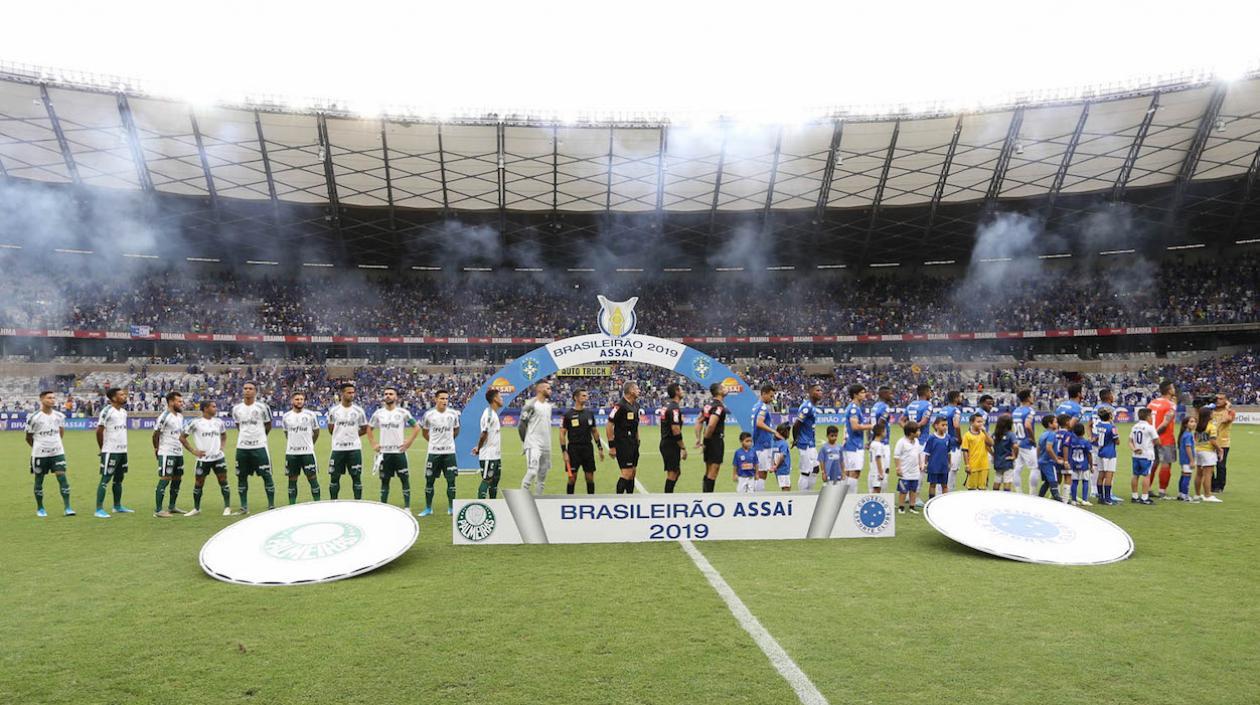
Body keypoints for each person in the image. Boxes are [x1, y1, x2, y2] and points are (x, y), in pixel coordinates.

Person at [368, 386, 420, 511]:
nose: (388, 396)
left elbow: (416, 427)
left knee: (404, 480)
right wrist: (374, 444)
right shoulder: (378, 413)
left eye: (391, 394)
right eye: (386, 393)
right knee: (384, 481)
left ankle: (407, 508)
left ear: (396, 397)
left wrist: (409, 442)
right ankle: (384, 507)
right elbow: (369, 428)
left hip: (399, 452)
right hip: (385, 453)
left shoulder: (403, 413)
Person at [26, 390, 73, 517]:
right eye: (49, 398)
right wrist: (38, 446)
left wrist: (55, 444)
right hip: (40, 454)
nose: (52, 400)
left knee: (62, 477)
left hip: (57, 453)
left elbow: (61, 432)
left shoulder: (59, 416)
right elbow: (28, 437)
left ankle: (68, 507)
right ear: (42, 400)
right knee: (39, 480)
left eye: (53, 398)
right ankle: (40, 508)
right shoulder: (34, 417)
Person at [182, 399, 232, 516]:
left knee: (223, 481)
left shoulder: (219, 422)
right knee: (198, 483)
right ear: (205, 409)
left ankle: (227, 507)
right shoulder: (195, 422)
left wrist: (222, 447)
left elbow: (224, 435)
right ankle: (196, 508)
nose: (216, 408)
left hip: (218, 458)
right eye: (213, 407)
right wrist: (193, 451)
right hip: (203, 459)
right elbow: (182, 438)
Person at [232, 381, 274, 513]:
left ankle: (271, 505)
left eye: (250, 389)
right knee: (241, 476)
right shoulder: (236, 409)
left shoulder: (263, 408)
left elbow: (268, 425)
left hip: (260, 447)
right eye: (245, 388)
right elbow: (238, 426)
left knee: (266, 475)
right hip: (242, 447)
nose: (247, 391)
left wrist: (260, 438)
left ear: (255, 391)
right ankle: (244, 506)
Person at [421, 389, 461, 514]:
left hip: (449, 453)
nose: (444, 401)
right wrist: (434, 443)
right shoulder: (429, 415)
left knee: (451, 481)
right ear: (436, 399)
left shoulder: (453, 414)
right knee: (429, 481)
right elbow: (425, 432)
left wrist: (448, 441)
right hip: (433, 453)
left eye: (446, 398)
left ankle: (451, 508)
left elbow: (456, 429)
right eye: (442, 398)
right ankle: (428, 508)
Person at [326, 382, 368, 500]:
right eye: (349, 393)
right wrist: (339, 436)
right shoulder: (333, 411)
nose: (352, 395)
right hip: (338, 449)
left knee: (356, 478)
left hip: (354, 449)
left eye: (353, 392)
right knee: (334, 478)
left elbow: (364, 428)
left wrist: (353, 435)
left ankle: (358, 503)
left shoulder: (359, 411)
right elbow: (331, 428)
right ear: (342, 394)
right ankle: (333, 503)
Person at [94, 386, 132, 517]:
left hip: (122, 450)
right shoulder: (107, 411)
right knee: (105, 478)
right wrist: (102, 447)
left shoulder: (123, 412)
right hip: (110, 450)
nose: (124, 396)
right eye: (121, 395)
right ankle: (99, 509)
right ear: (114, 398)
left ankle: (117, 506)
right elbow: (99, 430)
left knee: (119, 479)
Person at [281, 391, 321, 505]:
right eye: (297, 399)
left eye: (301, 399)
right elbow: (286, 433)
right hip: (292, 454)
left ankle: (317, 504)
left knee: (312, 479)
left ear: (304, 401)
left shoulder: (310, 415)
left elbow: (316, 431)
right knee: (292, 480)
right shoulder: (286, 416)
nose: (299, 401)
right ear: (292, 401)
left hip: (307, 453)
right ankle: (292, 505)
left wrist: (311, 444)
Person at [560, 388, 602, 495]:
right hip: (573, 449)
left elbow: (594, 431)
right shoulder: (567, 415)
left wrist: (600, 447)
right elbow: (562, 434)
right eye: (583, 395)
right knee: (572, 478)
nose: (586, 397)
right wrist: (564, 452)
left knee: (590, 477)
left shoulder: (589, 413)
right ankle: (569, 501)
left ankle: (591, 500)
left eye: (586, 395)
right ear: (576, 398)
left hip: (587, 448)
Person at [152, 391, 186, 517]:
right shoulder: (164, 416)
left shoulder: (180, 416)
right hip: (167, 452)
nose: (181, 403)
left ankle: (172, 506)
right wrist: (157, 449)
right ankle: (158, 510)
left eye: (181, 401)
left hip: (178, 452)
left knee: (177, 479)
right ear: (171, 402)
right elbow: (155, 434)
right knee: (165, 479)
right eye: (179, 401)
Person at [521, 380, 556, 495]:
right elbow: (521, 425)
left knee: (542, 476)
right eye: (548, 388)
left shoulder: (548, 406)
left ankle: (538, 500)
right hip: (533, 443)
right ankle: (523, 498)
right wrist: (525, 441)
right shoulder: (530, 405)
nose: (550, 391)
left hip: (546, 445)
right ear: (540, 389)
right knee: (532, 471)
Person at [608, 382, 640, 494]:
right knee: (627, 473)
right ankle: (619, 500)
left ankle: (630, 498)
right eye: (636, 388)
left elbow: (636, 425)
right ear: (630, 391)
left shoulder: (636, 405)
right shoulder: (619, 406)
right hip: (623, 443)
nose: (639, 390)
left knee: (632, 473)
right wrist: (612, 446)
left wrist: (638, 440)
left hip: (633, 444)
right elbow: (609, 425)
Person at [1147, 380, 1177, 500]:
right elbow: (1165, 424)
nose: (1174, 390)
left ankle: (1148, 488)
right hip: (1165, 438)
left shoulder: (1152, 403)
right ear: (1169, 390)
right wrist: (1156, 434)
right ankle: (1162, 491)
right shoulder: (1170, 405)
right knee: (1166, 464)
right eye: (1173, 387)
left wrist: (1151, 436)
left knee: (1153, 463)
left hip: (1151, 439)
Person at [750, 384, 782, 493]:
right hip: (763, 445)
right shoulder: (763, 407)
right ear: (763, 394)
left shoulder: (755, 406)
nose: (772, 399)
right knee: (762, 473)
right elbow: (759, 423)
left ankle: (756, 493)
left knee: (760, 472)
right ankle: (759, 496)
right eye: (771, 396)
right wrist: (774, 431)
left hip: (758, 443)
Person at [842, 384, 873, 493]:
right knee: (854, 472)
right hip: (854, 445)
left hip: (851, 444)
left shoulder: (853, 407)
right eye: (862, 392)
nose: (865, 394)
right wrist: (872, 426)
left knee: (849, 472)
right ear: (855, 395)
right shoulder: (854, 409)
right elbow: (855, 426)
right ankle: (851, 497)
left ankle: (845, 497)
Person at [697, 383, 727, 493]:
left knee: (708, 469)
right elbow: (711, 425)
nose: (726, 389)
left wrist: (699, 439)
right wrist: (706, 440)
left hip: (709, 440)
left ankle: (705, 494)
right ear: (719, 391)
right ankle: (708, 497)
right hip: (715, 440)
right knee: (714, 470)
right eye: (723, 387)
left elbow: (699, 421)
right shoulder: (718, 406)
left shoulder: (708, 404)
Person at [474, 388, 504, 499]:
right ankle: (480, 505)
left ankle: (493, 505)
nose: (502, 399)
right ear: (495, 399)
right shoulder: (489, 414)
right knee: (487, 479)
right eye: (500, 397)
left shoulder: (494, 414)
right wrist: (478, 448)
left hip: (496, 455)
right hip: (488, 455)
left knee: (495, 482)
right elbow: (484, 433)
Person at [792, 383, 823, 491]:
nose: (820, 393)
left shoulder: (812, 406)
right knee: (806, 471)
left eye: (821, 390)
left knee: (815, 469)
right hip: (805, 443)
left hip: (810, 442)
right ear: (810, 392)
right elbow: (796, 424)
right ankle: (802, 495)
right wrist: (796, 439)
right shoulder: (807, 406)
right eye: (817, 390)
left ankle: (808, 492)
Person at [659, 383, 688, 493]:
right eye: (681, 389)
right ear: (676, 391)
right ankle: (667, 499)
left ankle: (669, 495)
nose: (683, 391)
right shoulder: (674, 408)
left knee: (676, 472)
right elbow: (675, 429)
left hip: (667, 443)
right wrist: (683, 447)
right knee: (672, 473)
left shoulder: (667, 406)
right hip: (670, 445)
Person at [1011, 390, 1038, 494]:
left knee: (1017, 469)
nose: (1033, 397)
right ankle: (1033, 494)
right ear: (1027, 398)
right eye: (1031, 395)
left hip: (1017, 443)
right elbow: (1027, 425)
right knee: (1035, 468)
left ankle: (1019, 492)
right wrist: (1032, 438)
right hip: (1027, 444)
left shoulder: (1016, 411)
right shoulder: (1030, 411)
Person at [1193, 406, 1222, 503]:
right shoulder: (1211, 426)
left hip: (1198, 450)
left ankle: (1197, 494)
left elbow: (1195, 438)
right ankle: (1207, 495)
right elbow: (1213, 440)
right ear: (1208, 415)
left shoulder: (1198, 426)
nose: (1212, 414)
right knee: (1208, 474)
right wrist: (1219, 449)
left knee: (1199, 474)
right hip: (1208, 451)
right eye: (1211, 413)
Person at [1092, 407, 1120, 505]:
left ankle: (1100, 497)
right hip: (1110, 453)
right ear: (1109, 416)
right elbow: (1117, 441)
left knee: (1101, 474)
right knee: (1109, 476)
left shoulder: (1098, 425)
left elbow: (1094, 438)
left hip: (1100, 452)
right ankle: (1108, 498)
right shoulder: (1112, 427)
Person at [1129, 408, 1157, 505]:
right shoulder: (1150, 427)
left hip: (1136, 455)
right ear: (1148, 417)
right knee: (1146, 475)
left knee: (1135, 475)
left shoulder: (1134, 427)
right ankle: (1144, 497)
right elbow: (1157, 440)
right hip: (1146, 455)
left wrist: (1134, 449)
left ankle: (1134, 496)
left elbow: (1130, 441)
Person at [894, 421, 922, 513]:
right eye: (917, 431)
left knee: (914, 490)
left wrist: (920, 464)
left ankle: (912, 506)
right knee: (903, 490)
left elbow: (918, 454)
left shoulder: (917, 441)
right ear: (911, 433)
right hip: (905, 471)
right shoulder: (901, 442)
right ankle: (901, 507)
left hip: (915, 471)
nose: (919, 432)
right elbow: (897, 456)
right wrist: (898, 468)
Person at [1036, 415, 1064, 501]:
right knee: (1053, 482)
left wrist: (1038, 459)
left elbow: (1039, 448)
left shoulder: (1043, 434)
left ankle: (1039, 499)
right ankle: (1059, 500)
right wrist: (1056, 460)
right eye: (1055, 422)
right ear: (1050, 424)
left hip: (1042, 461)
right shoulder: (1052, 434)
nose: (1057, 423)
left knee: (1047, 482)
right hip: (1049, 462)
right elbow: (1049, 448)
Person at [1211, 393, 1235, 493]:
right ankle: (1211, 485)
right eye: (1216, 398)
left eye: (1221, 399)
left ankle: (1220, 486)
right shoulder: (1211, 411)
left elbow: (1225, 420)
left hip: (1223, 443)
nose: (1218, 400)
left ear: (1226, 401)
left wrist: (1227, 408)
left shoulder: (1230, 412)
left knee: (1220, 465)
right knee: (1209, 465)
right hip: (1210, 442)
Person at [939, 391, 964, 489]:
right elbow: (956, 426)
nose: (961, 399)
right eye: (960, 397)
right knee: (952, 470)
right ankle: (948, 493)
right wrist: (959, 439)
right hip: (953, 444)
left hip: (942, 442)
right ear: (955, 399)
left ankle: (939, 494)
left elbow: (935, 424)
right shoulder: (956, 410)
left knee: (942, 470)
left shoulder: (943, 409)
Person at [960, 413, 991, 491]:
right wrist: (967, 465)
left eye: (982, 422)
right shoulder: (967, 436)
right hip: (973, 466)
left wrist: (985, 432)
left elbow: (991, 443)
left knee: (983, 489)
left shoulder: (984, 434)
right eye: (978, 422)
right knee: (972, 489)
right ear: (971, 422)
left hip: (984, 466)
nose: (981, 424)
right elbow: (965, 451)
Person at [923, 417, 952, 499]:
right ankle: (931, 501)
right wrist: (925, 464)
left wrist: (949, 463)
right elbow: (927, 453)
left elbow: (948, 452)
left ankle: (944, 501)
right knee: (933, 484)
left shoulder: (948, 437)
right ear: (936, 426)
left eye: (946, 425)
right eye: (943, 425)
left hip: (944, 465)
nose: (945, 427)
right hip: (933, 465)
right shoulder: (931, 438)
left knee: (944, 485)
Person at [1068, 422, 1092, 506]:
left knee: (1074, 482)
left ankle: (1074, 500)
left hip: (1073, 465)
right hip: (1084, 465)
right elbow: (1089, 455)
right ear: (1084, 431)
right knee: (1085, 481)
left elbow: (1069, 453)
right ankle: (1085, 500)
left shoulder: (1071, 442)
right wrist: (1091, 465)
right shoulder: (1086, 442)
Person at [990, 414, 1016, 492]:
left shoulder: (995, 434)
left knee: (997, 479)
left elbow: (987, 444)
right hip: (1007, 461)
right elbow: (1016, 446)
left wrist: (992, 453)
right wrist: (1015, 456)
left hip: (997, 460)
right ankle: (1006, 499)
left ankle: (995, 497)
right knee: (1007, 480)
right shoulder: (1010, 434)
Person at [1177, 414, 1199, 503]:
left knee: (1183, 476)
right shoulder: (1188, 435)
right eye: (1191, 422)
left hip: (1183, 459)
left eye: (1195, 422)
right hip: (1187, 459)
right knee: (1187, 477)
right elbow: (1188, 447)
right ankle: (1185, 496)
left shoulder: (1184, 434)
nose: (1194, 424)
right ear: (1186, 424)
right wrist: (1192, 460)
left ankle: (1181, 494)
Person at [769, 423, 793, 492]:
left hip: (778, 471)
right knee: (786, 489)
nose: (789, 433)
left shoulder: (775, 442)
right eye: (788, 431)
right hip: (783, 469)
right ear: (784, 432)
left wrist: (773, 466)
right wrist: (775, 466)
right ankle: (785, 502)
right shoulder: (783, 443)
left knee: (787, 486)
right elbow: (782, 456)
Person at [867, 422, 890, 493]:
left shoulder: (873, 444)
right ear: (881, 432)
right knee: (876, 490)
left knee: (875, 489)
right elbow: (878, 458)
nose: (886, 433)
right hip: (877, 472)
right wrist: (881, 473)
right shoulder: (878, 445)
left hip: (872, 470)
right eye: (885, 431)